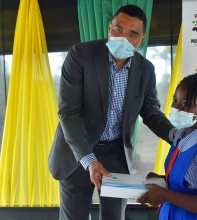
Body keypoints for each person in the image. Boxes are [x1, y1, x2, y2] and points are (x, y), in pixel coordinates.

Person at [48, 5, 176, 220]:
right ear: (109, 28)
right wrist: (88, 160)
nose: (123, 38)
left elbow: (152, 113)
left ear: (141, 39)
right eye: (118, 30)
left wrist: (177, 137)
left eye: (132, 34)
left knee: (114, 216)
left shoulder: (145, 70)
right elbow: (69, 113)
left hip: (115, 155)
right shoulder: (81, 55)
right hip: (77, 152)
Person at [137, 73, 197, 219]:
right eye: (175, 101)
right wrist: (164, 182)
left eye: (185, 104)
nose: (176, 108)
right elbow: (191, 182)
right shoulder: (180, 137)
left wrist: (166, 195)